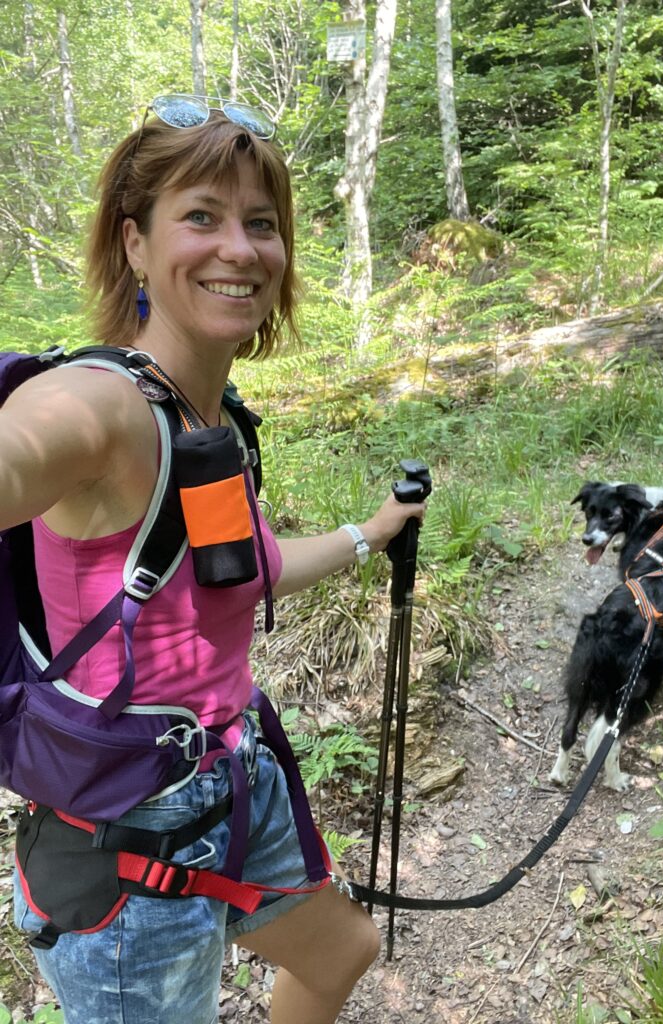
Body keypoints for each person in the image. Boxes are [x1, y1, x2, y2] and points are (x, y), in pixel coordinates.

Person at [3, 95, 425, 1024]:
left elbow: (244, 570)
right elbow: (23, 453)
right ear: (134, 244)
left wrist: (371, 534)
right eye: (201, 215)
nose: (240, 248)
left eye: (261, 223)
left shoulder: (209, 422)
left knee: (342, 951)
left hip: (232, 781)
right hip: (122, 835)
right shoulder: (98, 405)